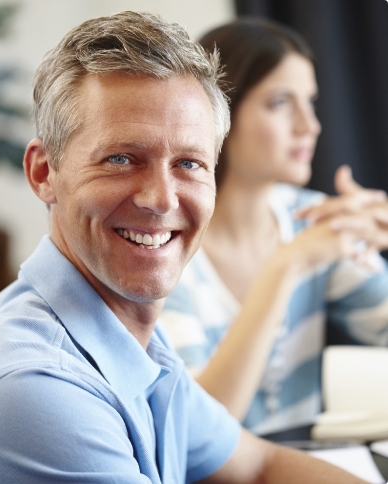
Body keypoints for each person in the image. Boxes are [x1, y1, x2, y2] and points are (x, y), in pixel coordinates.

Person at [0, 12, 375, 484]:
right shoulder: (36, 391)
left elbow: (260, 466)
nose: (161, 199)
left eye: (189, 164)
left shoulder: (131, 332)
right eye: (121, 159)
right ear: (44, 173)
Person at [161, 17, 388, 436]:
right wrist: (286, 267)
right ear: (216, 114)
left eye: (311, 102)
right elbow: (197, 433)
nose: (310, 125)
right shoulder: (164, 249)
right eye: (281, 103)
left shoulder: (313, 220)